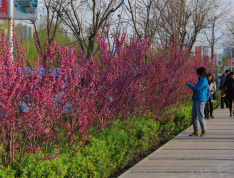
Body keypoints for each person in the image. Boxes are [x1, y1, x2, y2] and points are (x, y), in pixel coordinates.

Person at [187, 67, 208, 137]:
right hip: (196, 99)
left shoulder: (204, 80)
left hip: (201, 99)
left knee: (200, 115)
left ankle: (204, 131)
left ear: (200, 73)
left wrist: (189, 85)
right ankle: (196, 131)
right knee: (194, 115)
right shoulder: (200, 80)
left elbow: (197, 88)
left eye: (197, 73)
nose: (197, 75)